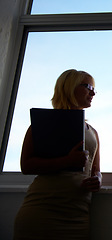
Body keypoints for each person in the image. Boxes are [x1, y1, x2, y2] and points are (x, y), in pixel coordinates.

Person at [14, 69, 102, 240]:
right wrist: (67, 161)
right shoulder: (41, 125)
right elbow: (26, 165)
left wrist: (98, 179)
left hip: (78, 216)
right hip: (40, 213)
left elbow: (96, 169)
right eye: (88, 86)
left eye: (94, 89)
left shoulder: (93, 132)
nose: (93, 92)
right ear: (69, 87)